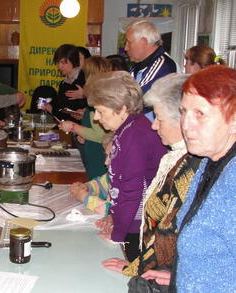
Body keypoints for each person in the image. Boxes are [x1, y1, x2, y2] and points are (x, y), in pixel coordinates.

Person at [100, 74, 201, 291]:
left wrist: (138, 267)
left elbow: (171, 231)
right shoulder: (176, 156)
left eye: (160, 119)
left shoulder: (193, 164)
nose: (154, 126)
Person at [142, 66, 235, 292]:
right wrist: (180, 273)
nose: (186, 124)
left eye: (200, 114)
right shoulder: (208, 161)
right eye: (184, 112)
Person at [84, 71, 167, 261]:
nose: (96, 117)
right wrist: (114, 215)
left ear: (121, 109)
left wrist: (117, 235)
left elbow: (132, 191)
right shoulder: (127, 129)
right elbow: (118, 184)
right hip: (131, 222)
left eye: (100, 111)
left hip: (138, 228)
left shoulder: (136, 135)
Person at [59, 56, 110, 179]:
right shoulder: (99, 95)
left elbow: (99, 135)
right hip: (92, 154)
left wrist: (73, 127)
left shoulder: (97, 98)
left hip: (98, 158)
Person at [125, 20, 177, 119]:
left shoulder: (162, 64)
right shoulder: (139, 64)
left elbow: (139, 99)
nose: (126, 48)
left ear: (143, 42)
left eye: (129, 42)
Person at [69, 133, 114, 216]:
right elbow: (100, 184)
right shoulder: (111, 175)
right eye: (106, 155)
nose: (106, 162)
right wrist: (87, 187)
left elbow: (109, 210)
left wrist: (83, 196)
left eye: (111, 156)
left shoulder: (134, 181)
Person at [43, 44, 87, 121]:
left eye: (63, 63)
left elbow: (99, 103)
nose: (59, 67)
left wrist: (85, 95)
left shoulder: (86, 79)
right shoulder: (63, 84)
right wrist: (51, 109)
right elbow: (62, 112)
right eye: (58, 63)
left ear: (73, 61)